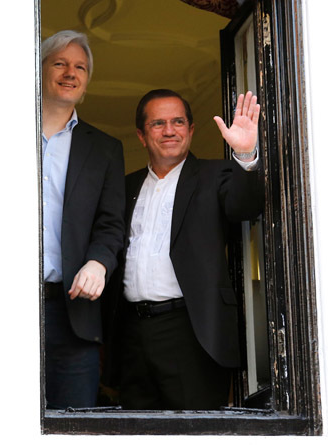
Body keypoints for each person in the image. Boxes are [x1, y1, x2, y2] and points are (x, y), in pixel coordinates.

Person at [115, 88, 263, 410]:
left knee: (193, 432)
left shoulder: (216, 175)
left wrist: (245, 154)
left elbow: (245, 207)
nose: (170, 130)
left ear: (191, 129)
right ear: (141, 135)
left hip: (191, 332)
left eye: (178, 121)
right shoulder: (125, 187)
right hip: (131, 334)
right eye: (158, 124)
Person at [41, 30, 125, 409]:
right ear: (39, 71)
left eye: (80, 67)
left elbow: (111, 224)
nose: (70, 72)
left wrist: (98, 262)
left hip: (71, 309)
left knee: (74, 425)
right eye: (60, 63)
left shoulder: (105, 149)